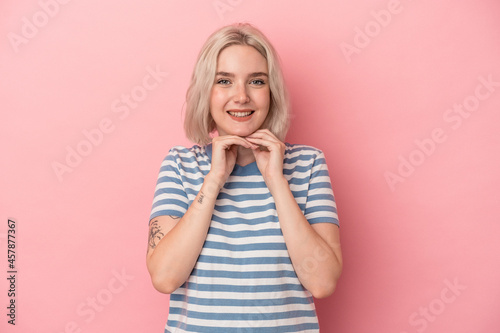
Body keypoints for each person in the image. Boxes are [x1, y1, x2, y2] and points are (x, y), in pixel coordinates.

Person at [146, 22, 342, 332]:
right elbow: (165, 277)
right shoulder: (179, 165)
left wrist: (277, 182)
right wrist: (213, 182)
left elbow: (322, 282)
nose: (241, 96)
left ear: (271, 91)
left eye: (256, 81)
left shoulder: (308, 164)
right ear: (206, 92)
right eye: (224, 80)